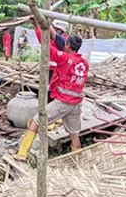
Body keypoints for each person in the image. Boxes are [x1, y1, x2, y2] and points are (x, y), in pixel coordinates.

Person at [14, 29, 89, 160]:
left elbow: (47, 47)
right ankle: (77, 159)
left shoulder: (65, 59)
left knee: (36, 121)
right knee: (74, 133)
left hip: (63, 102)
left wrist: (39, 29)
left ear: (68, 45)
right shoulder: (84, 63)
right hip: (76, 104)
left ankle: (22, 154)